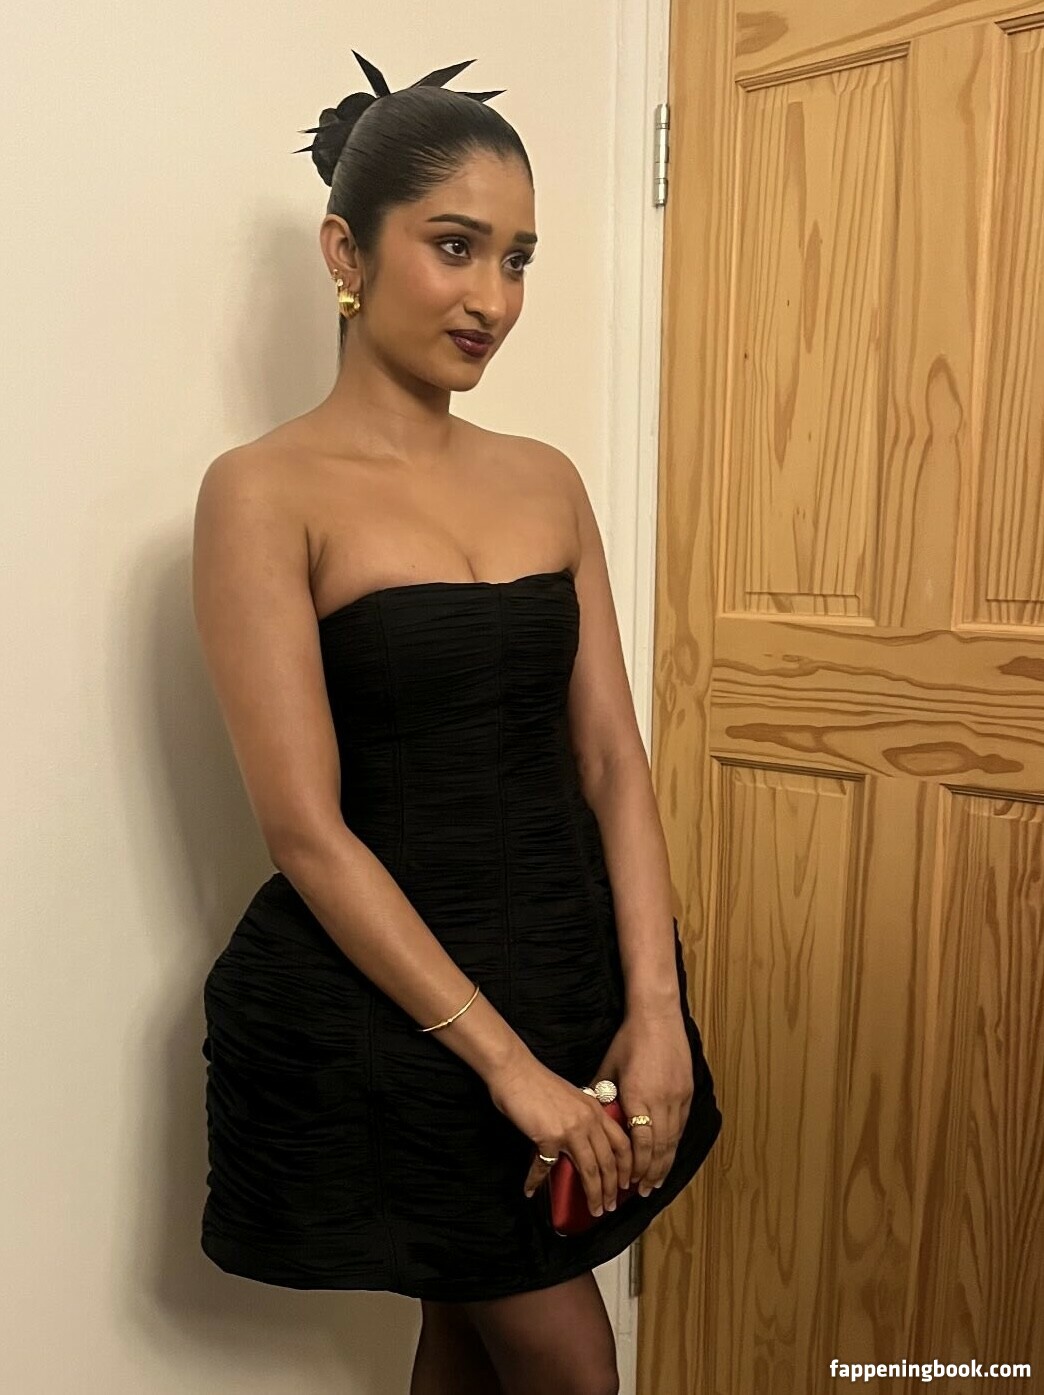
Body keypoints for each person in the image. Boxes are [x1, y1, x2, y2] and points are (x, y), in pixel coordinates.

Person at [193, 50, 722, 1395]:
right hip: (404, 1008)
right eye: (455, 247)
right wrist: (506, 1071)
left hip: (569, 971)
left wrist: (655, 1008)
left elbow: (611, 759)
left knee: (468, 1343)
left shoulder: (546, 479)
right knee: (569, 1366)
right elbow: (306, 831)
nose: (495, 298)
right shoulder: (261, 492)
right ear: (346, 252)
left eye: (518, 259)